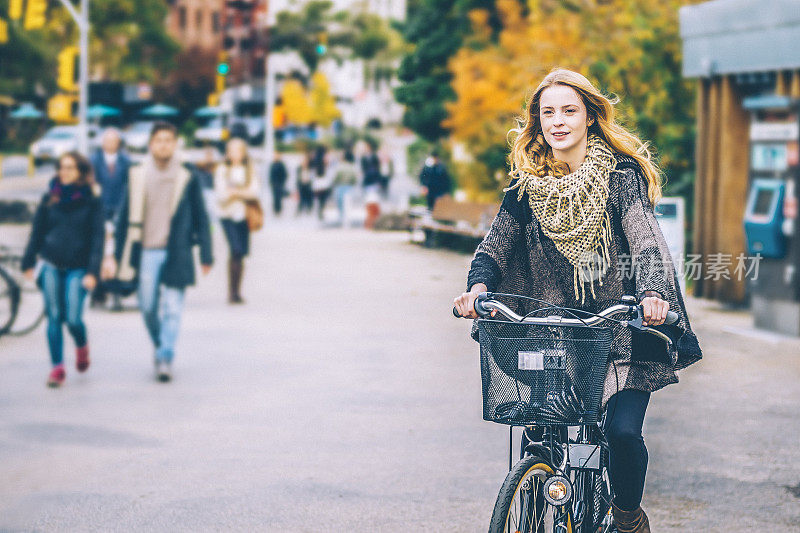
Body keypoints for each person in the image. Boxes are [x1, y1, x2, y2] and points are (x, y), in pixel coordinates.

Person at [453, 69, 702, 533]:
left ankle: (627, 515)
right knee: (539, 430)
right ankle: (539, 486)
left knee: (622, 435)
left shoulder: (620, 178)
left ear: (590, 116)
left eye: (569, 110)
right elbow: (494, 246)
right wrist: (478, 288)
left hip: (622, 332)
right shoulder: (525, 187)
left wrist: (652, 293)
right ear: (538, 121)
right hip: (557, 333)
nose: (558, 121)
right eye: (548, 112)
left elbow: (646, 241)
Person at [106, 122, 213, 382]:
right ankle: (159, 343)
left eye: (168, 140)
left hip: (178, 250)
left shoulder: (187, 174)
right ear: (151, 144)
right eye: (159, 140)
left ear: (175, 144)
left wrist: (206, 254)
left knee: (174, 308)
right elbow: (123, 217)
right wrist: (112, 255)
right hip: (146, 251)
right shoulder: (138, 173)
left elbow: (201, 214)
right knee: (147, 306)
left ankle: (165, 356)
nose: (164, 144)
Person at [21, 152, 104, 387]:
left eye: (70, 167)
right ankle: (57, 367)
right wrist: (28, 261)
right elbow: (37, 232)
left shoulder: (91, 200)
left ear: (80, 171)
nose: (64, 172)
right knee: (54, 316)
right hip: (50, 264)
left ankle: (81, 344)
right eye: (61, 167)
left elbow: (98, 239)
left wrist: (92, 272)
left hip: (78, 268)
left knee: (74, 318)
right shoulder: (50, 198)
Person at [89, 127, 131, 309]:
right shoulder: (94, 161)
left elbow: (128, 186)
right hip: (100, 212)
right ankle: (98, 292)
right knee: (99, 250)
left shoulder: (125, 161)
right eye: (107, 140)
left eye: (114, 140)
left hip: (120, 212)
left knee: (117, 252)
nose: (111, 144)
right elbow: (91, 184)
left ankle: (116, 291)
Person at [214, 137, 260, 304]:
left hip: (243, 215)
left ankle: (237, 290)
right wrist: (242, 191)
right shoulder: (222, 170)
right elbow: (221, 195)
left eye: (238, 151)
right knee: (235, 248)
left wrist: (235, 192)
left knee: (241, 253)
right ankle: (232, 292)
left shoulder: (249, 169)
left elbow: (254, 192)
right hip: (227, 215)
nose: (235, 154)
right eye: (231, 151)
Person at [333, 149, 359, 226]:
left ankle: (341, 219)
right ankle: (347, 221)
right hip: (349, 187)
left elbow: (336, 178)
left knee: (340, 205)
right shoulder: (352, 167)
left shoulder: (340, 167)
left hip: (340, 186)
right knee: (348, 205)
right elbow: (355, 178)